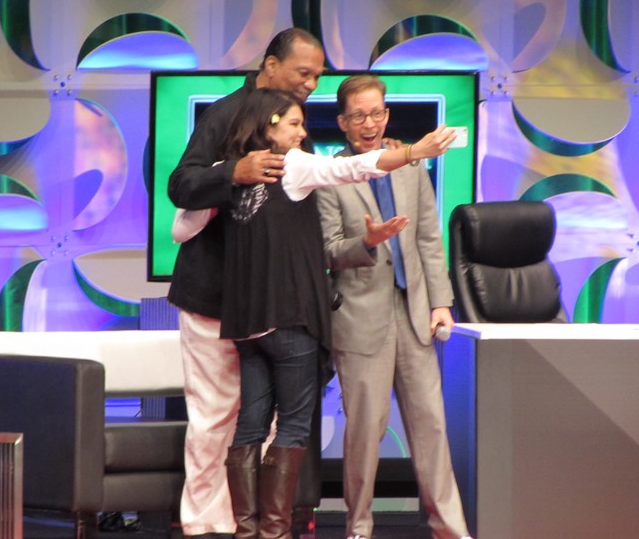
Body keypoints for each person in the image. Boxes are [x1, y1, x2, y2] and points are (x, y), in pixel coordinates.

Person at [188, 88, 455, 539]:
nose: (302, 133)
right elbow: (348, 175)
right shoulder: (296, 165)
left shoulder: (230, 171)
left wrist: (226, 178)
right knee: (298, 425)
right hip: (301, 317)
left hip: (251, 323)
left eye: (377, 113)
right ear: (271, 126)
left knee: (252, 424)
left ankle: (250, 531)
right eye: (295, 124)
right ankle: (296, 530)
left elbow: (182, 226)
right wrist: (414, 152)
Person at [167, 28, 325, 539]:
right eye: (304, 73)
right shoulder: (224, 115)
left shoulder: (298, 130)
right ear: (271, 65)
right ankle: (203, 525)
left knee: (270, 421)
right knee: (214, 415)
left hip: (271, 301)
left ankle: (254, 526)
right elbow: (181, 185)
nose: (312, 84)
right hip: (213, 294)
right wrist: (234, 171)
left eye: (318, 77)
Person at [315, 75, 473, 539]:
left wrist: (441, 302)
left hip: (415, 313)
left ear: (387, 116)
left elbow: (428, 240)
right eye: (359, 116)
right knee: (366, 432)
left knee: (432, 426)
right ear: (343, 123)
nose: (370, 124)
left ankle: (450, 528)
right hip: (361, 318)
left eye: (377, 114)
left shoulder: (410, 167)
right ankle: (358, 526)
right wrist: (367, 242)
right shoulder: (331, 176)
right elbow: (327, 250)